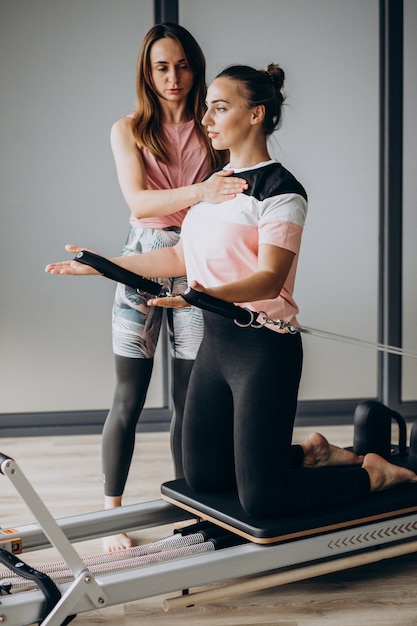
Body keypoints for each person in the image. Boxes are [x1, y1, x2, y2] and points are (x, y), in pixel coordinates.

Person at [46, 63, 417, 519]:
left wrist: (201, 297)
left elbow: (269, 279)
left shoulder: (283, 192)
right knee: (203, 476)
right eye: (207, 109)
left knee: (261, 499)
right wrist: (105, 267)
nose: (206, 119)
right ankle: (312, 454)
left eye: (219, 109)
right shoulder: (215, 187)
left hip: (262, 349)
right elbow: (179, 258)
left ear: (256, 114)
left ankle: (373, 474)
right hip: (215, 347)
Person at [85, 23, 248, 551]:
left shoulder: (213, 127)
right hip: (140, 262)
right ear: (147, 73)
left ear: (195, 67)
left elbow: (239, 192)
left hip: (199, 265)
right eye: (161, 67)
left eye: (182, 65)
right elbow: (139, 204)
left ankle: (193, 508)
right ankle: (112, 519)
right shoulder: (128, 128)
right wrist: (202, 190)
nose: (173, 77)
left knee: (189, 403)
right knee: (127, 398)